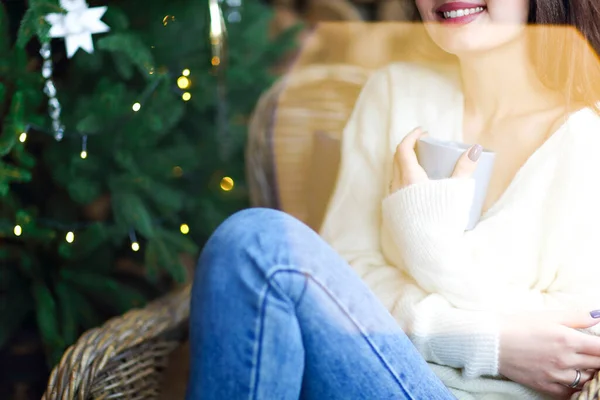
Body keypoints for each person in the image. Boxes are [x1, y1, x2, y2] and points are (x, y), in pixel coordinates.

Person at [185, 1, 600, 399]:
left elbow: (578, 338)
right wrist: (484, 342)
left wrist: (427, 244)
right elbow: (347, 273)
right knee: (252, 242)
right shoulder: (395, 91)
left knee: (257, 242)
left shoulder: (589, 137)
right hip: (363, 369)